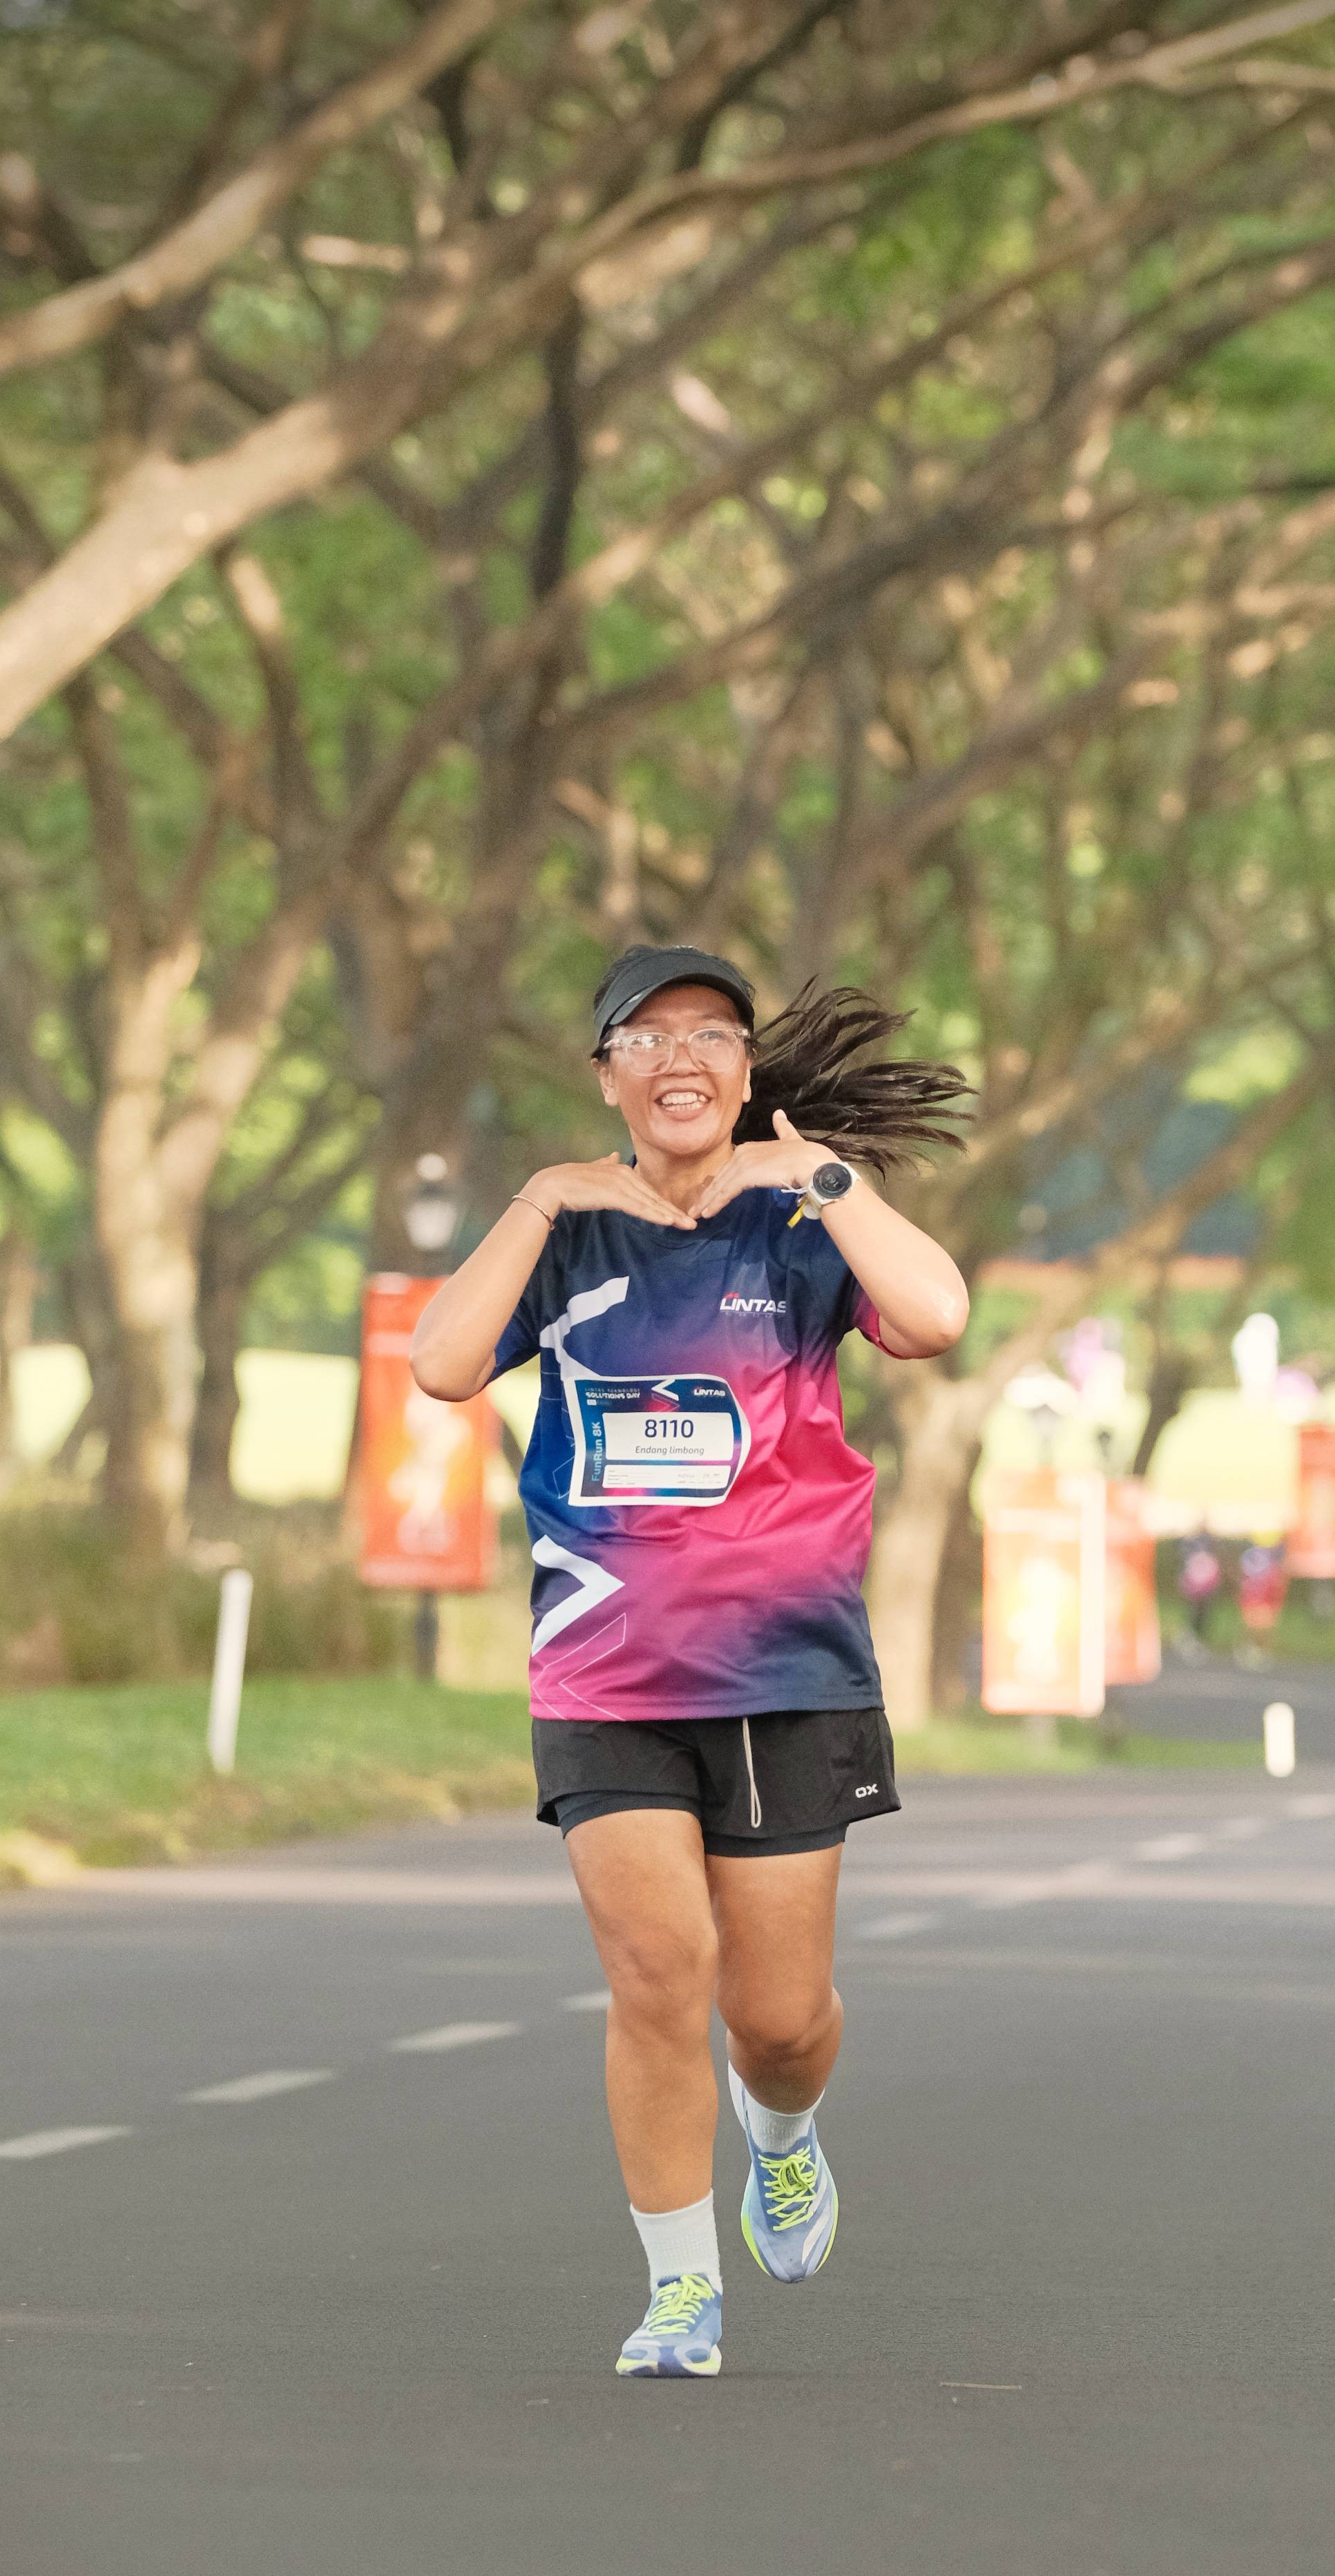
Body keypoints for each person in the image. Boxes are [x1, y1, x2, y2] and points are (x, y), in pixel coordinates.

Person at [410, 945, 970, 2378]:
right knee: (658, 1973)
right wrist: (543, 1197)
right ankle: (678, 2290)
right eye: (645, 1036)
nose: (680, 1056)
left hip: (786, 1671)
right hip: (602, 1673)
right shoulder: (564, 1232)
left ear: (741, 1070)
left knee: (773, 2019)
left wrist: (823, 1179)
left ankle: (779, 2131)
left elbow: (933, 1318)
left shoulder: (801, 1223)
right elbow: (442, 1363)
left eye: (710, 1034)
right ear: (607, 1075)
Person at [1235, 1536, 1287, 1665]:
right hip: (1253, 1598)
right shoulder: (1251, 1557)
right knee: (1252, 1626)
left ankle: (1260, 1651)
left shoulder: (1273, 1562)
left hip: (1265, 1599)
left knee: (1265, 1628)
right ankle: (1250, 1649)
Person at [1177, 1528, 1222, 1659]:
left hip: (1206, 1586)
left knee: (1203, 1616)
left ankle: (1197, 1640)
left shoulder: (1210, 1548)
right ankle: (1190, 1639)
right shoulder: (1191, 1547)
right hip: (1195, 1586)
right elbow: (1187, 1566)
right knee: (1194, 1614)